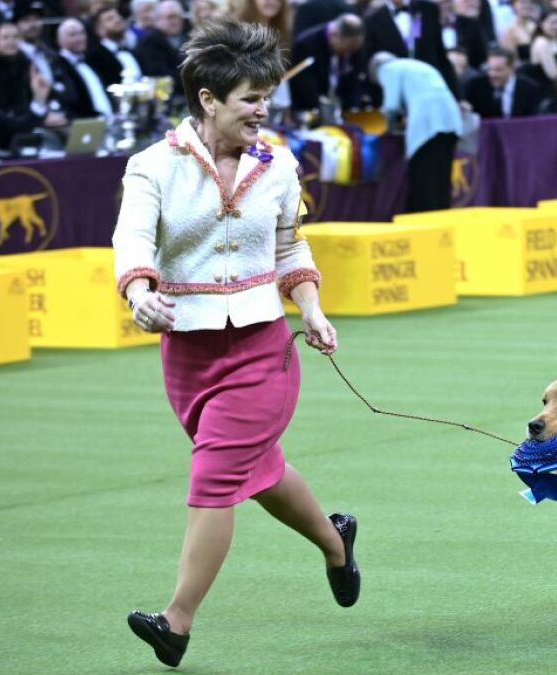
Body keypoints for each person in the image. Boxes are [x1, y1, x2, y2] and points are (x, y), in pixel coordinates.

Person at [114, 18, 359, 669]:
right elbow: (132, 240)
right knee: (259, 472)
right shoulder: (151, 166)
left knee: (215, 477)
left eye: (267, 97)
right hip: (186, 355)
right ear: (208, 100)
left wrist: (310, 306)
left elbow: (290, 244)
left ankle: (177, 620)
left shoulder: (278, 163)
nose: (263, 110)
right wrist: (139, 294)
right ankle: (336, 542)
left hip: (262, 350)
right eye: (251, 98)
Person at [369, 52, 462, 212]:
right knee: (441, 173)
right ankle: (441, 214)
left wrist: (389, 129)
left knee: (424, 172)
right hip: (450, 118)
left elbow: (391, 106)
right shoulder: (418, 65)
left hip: (427, 122)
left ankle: (423, 216)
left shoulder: (388, 69)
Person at [464, 46, 542, 118]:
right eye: (490, 69)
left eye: (498, 70)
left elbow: (533, 120)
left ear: (511, 68)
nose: (492, 74)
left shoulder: (529, 88)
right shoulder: (476, 86)